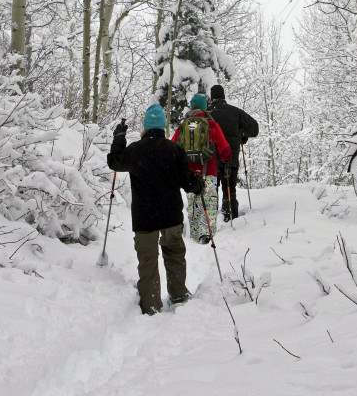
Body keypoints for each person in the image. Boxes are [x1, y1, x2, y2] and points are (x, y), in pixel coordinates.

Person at [107, 103, 204, 316]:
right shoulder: (174, 150)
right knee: (175, 254)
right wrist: (199, 184)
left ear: (145, 126)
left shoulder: (134, 151)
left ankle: (151, 305)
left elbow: (114, 162)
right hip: (170, 215)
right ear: (163, 126)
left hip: (144, 217)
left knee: (148, 260)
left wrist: (119, 138)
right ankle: (178, 294)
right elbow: (188, 183)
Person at [172, 94, 231, 243]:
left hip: (189, 173)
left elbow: (173, 147)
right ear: (205, 108)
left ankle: (195, 235)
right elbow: (224, 149)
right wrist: (226, 158)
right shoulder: (211, 125)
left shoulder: (183, 126)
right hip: (209, 171)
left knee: (193, 204)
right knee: (209, 202)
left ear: (191, 107)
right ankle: (207, 234)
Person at [208, 84, 259, 220]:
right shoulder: (235, 112)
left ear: (211, 97)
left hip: (211, 158)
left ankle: (211, 218)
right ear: (223, 97)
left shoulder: (207, 114)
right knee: (230, 187)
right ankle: (230, 214)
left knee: (212, 190)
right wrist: (243, 135)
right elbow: (254, 129)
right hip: (230, 156)